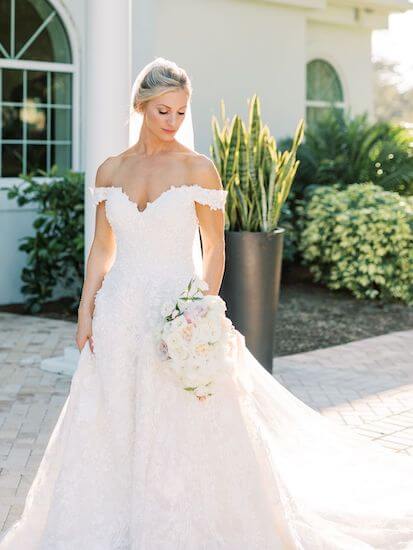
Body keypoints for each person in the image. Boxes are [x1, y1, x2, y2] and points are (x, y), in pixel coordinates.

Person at [1, 56, 413, 550]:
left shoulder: (199, 169)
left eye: (180, 112)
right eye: (163, 112)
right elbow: (102, 248)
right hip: (119, 313)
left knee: (179, 423)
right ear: (141, 107)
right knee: (111, 418)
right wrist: (87, 309)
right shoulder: (111, 169)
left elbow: (215, 249)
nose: (173, 122)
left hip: (176, 312)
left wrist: (200, 314)